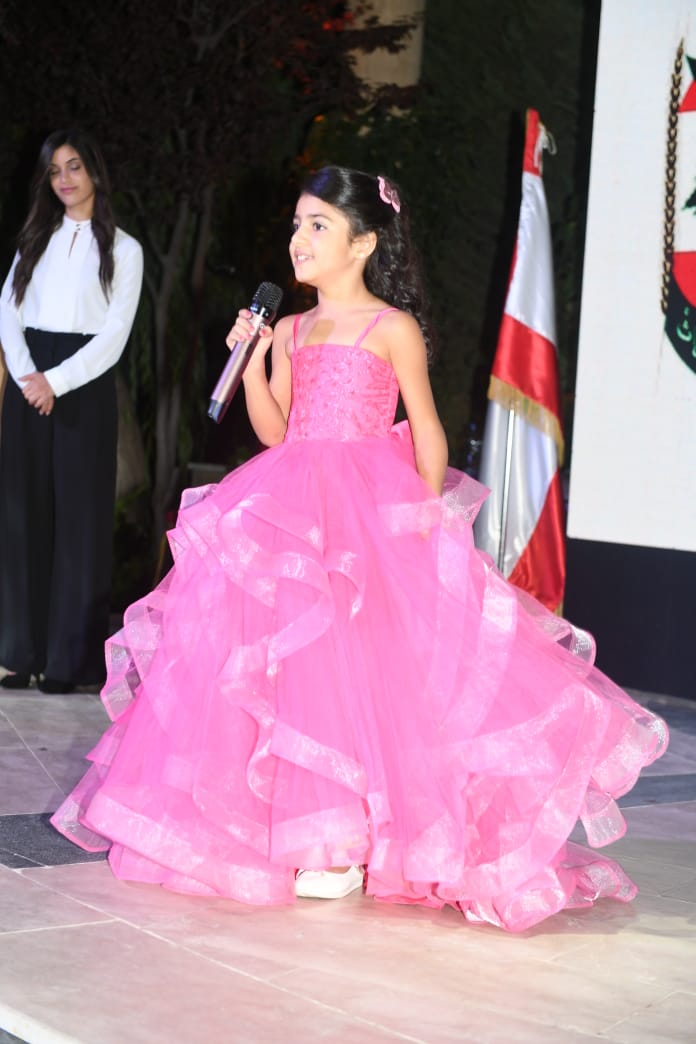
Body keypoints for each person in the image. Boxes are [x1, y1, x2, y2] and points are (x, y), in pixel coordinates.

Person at [51, 166, 667, 931]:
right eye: (296, 224)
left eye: (318, 225)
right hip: (292, 501)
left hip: (370, 509)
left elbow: (427, 428)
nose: (299, 239)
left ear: (365, 243)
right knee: (300, 671)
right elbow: (275, 430)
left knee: (368, 674)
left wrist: (424, 517)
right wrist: (252, 362)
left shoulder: (390, 328)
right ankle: (313, 832)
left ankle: (354, 843)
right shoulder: (290, 329)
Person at [0, 129, 143, 694]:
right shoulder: (34, 239)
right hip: (28, 381)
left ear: (96, 172)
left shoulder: (124, 250)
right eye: (55, 170)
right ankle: (19, 653)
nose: (64, 179)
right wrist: (28, 377)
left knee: (79, 522)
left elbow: (114, 335)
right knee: (22, 515)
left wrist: (56, 381)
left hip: (84, 386)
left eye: (74, 166)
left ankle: (68, 661)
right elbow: (7, 311)